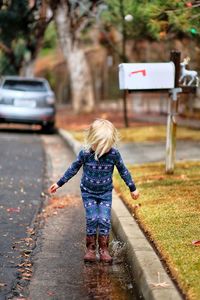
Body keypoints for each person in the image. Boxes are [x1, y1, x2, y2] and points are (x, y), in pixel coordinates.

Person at [49, 119, 139, 263]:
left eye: (107, 146)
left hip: (105, 194)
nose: (104, 150)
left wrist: (132, 188)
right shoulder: (85, 153)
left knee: (104, 219)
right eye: (100, 146)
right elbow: (73, 168)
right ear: (92, 140)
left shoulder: (114, 154)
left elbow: (123, 171)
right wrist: (59, 183)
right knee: (92, 218)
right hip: (88, 192)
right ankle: (91, 249)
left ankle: (103, 249)